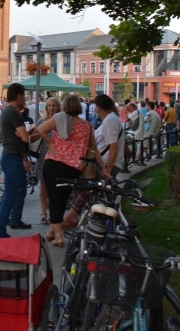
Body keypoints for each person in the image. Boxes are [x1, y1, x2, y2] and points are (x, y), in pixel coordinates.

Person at [38, 95, 109, 247]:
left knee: (54, 200)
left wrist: (50, 143)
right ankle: (52, 233)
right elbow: (94, 149)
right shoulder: (87, 126)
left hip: (53, 164)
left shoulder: (59, 119)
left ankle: (58, 236)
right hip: (73, 168)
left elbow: (41, 129)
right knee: (62, 200)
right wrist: (103, 168)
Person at [0, 83, 33, 239]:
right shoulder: (13, 113)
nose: (25, 98)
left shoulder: (7, 111)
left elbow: (21, 136)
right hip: (12, 158)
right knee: (9, 198)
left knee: (16, 193)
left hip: (11, 156)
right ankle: (0, 233)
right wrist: (26, 133)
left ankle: (11, 222)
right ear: (18, 96)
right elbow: (24, 137)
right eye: (23, 96)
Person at [30, 97, 61, 225]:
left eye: (54, 105)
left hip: (58, 155)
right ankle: (44, 213)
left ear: (58, 107)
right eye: (49, 105)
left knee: (56, 184)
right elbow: (32, 138)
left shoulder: (61, 120)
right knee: (43, 183)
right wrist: (43, 130)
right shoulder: (42, 120)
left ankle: (55, 213)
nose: (52, 108)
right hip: (44, 153)